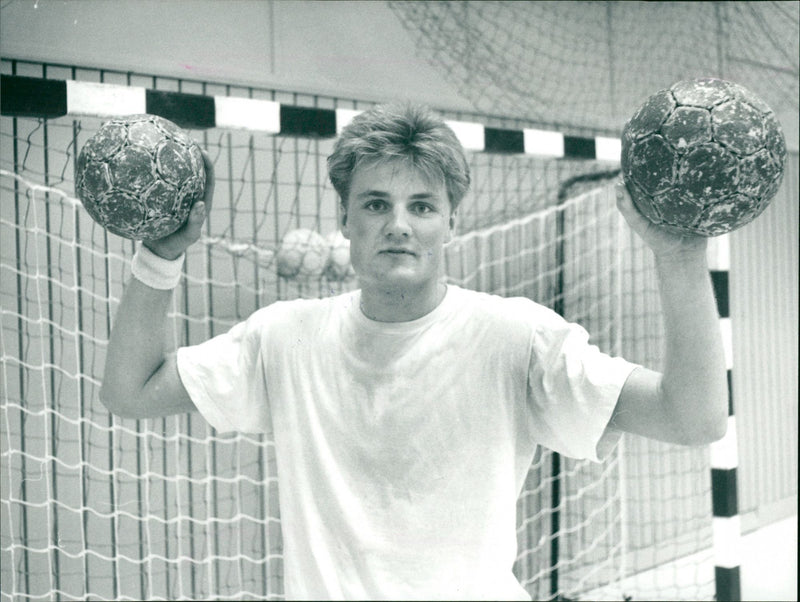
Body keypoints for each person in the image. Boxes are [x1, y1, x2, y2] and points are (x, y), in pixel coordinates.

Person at [99, 103, 728, 600]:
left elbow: (692, 417)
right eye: (376, 204)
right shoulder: (284, 336)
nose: (398, 224)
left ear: (451, 222)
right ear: (345, 219)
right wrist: (160, 256)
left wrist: (678, 255)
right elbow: (130, 390)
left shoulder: (516, 337)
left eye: (421, 206)